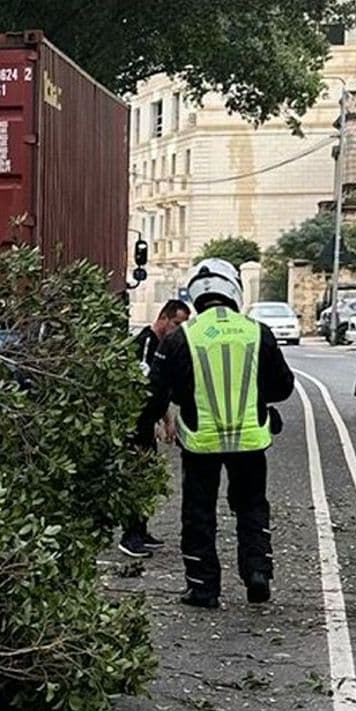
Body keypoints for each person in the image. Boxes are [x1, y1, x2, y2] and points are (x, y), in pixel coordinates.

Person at [141, 259, 294, 608]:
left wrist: (149, 426)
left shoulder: (182, 337)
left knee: (199, 513)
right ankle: (257, 573)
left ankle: (203, 587)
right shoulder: (258, 331)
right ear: (233, 290)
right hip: (251, 440)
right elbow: (283, 386)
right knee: (252, 506)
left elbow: (156, 391)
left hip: (200, 441)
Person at [120, 299, 193, 557]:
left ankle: (141, 529)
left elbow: (161, 389)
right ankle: (130, 536)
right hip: (135, 424)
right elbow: (140, 387)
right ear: (163, 318)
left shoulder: (165, 346)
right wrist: (146, 422)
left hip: (148, 421)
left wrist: (167, 419)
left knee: (147, 478)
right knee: (136, 478)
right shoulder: (147, 343)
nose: (178, 330)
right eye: (176, 323)